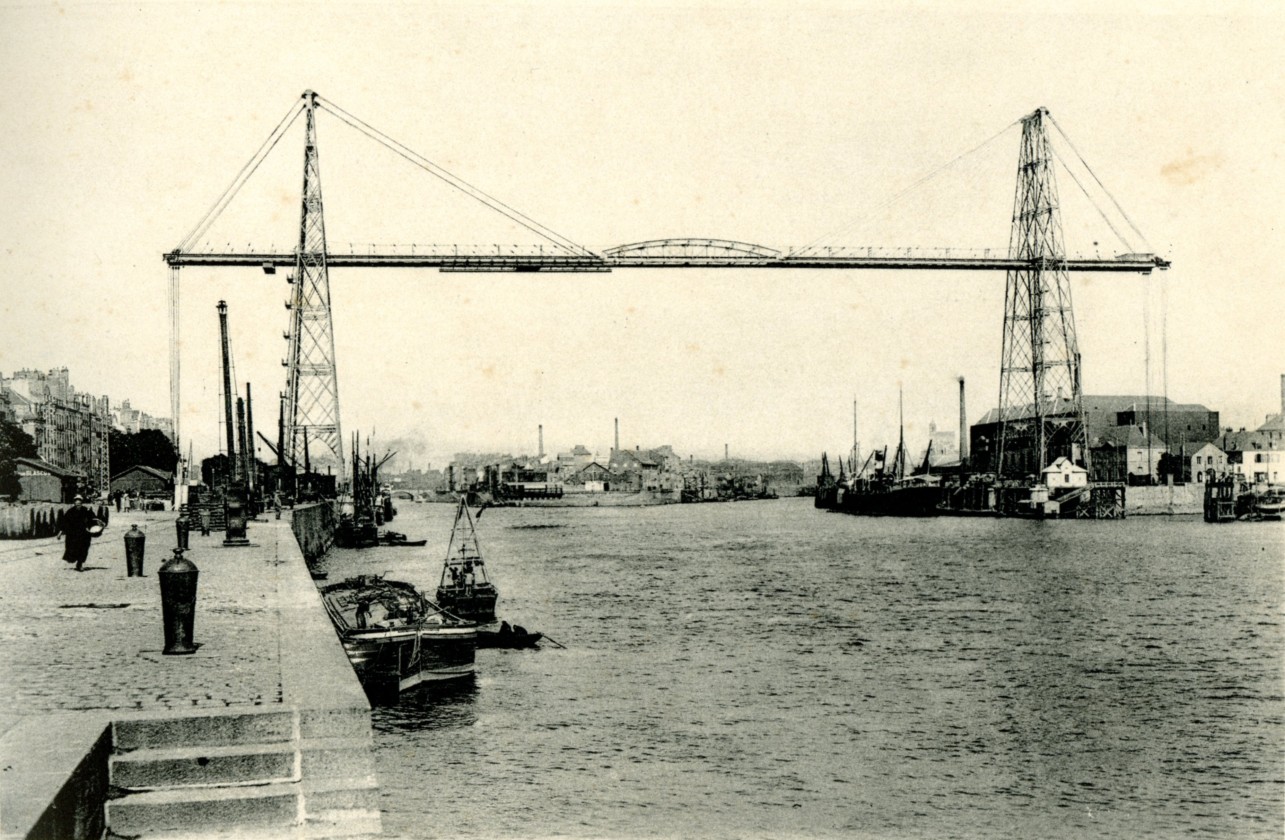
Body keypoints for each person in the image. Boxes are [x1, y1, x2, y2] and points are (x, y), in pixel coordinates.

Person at [57, 495, 97, 572]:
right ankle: (74, 560)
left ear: (82, 503)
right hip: (73, 534)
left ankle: (80, 564)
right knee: (73, 548)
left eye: (79, 503)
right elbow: (64, 522)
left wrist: (95, 528)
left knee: (83, 549)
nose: (78, 505)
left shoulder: (86, 510)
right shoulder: (70, 511)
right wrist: (60, 532)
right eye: (76, 503)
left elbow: (93, 519)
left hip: (84, 534)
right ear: (74, 503)